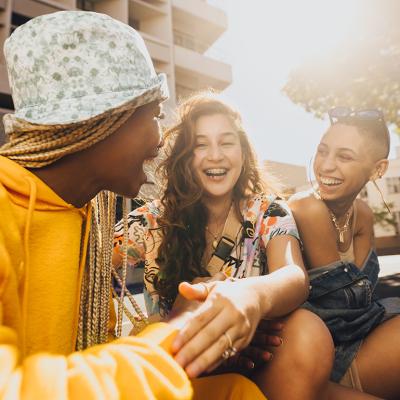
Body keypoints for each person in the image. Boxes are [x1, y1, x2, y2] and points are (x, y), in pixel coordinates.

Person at [0, 11, 267, 399]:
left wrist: (199, 341)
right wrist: (174, 336)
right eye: (156, 114)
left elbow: (98, 349)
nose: (161, 141)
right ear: (103, 122)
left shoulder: (90, 215)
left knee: (236, 391)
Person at [114, 93, 364, 400]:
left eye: (227, 142)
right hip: (181, 366)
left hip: (257, 362)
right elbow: (91, 264)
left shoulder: (268, 212)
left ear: (244, 153)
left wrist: (250, 296)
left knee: (306, 331)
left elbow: (293, 276)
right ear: (184, 156)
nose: (215, 155)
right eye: (200, 144)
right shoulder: (151, 220)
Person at [289, 107, 400, 400]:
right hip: (317, 358)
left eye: (344, 156)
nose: (326, 165)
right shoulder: (307, 208)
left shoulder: (361, 215)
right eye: (323, 151)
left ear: (378, 169)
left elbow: (363, 304)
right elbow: (341, 312)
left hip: (357, 338)